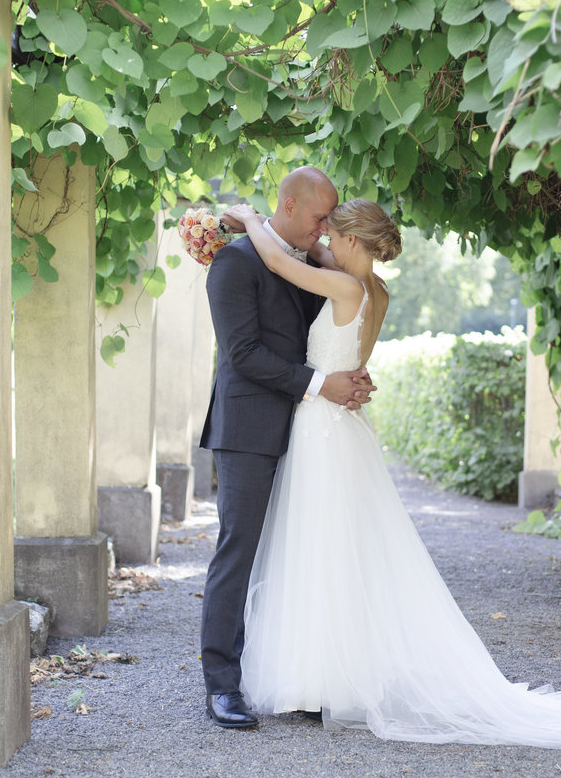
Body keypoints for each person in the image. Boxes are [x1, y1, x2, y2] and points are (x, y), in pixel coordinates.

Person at [225, 198, 561, 748]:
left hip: (322, 428)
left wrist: (251, 219)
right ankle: (327, 679)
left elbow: (280, 261)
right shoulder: (374, 290)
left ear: (353, 242)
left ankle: (318, 679)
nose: (325, 244)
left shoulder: (343, 287)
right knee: (340, 551)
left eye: (334, 238)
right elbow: (315, 260)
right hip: (342, 425)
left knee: (319, 549)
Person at [198, 166, 373, 729]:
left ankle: (288, 677)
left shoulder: (307, 265)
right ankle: (222, 687)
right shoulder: (234, 262)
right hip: (248, 432)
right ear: (290, 206)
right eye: (321, 216)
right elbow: (243, 355)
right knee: (239, 553)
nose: (326, 229)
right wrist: (326, 385)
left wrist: (349, 375)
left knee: (296, 553)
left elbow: (324, 340)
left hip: (306, 432)